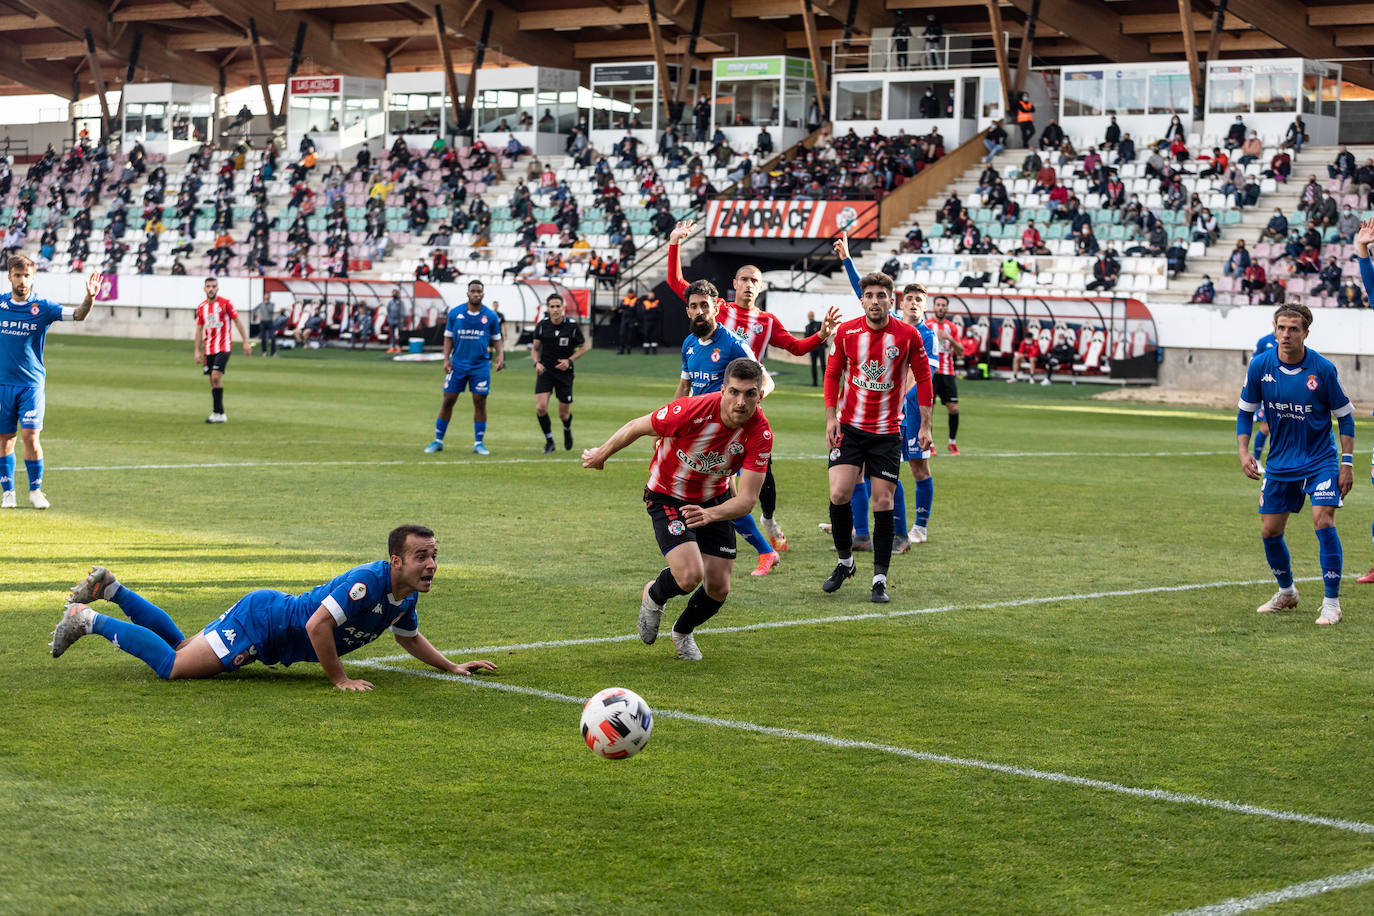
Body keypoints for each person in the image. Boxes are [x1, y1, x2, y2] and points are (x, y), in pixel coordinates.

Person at [49, 525, 498, 687]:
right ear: (396, 560)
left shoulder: (406, 596)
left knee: (182, 648)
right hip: (262, 624)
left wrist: (451, 667)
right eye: (422, 556)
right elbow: (318, 626)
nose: (431, 564)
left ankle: (111, 589)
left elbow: (409, 637)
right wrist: (339, 680)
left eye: (434, 555)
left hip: (265, 616)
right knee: (173, 667)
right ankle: (87, 619)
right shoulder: (367, 582)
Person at [668, 219, 839, 561]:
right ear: (734, 285)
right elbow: (677, 283)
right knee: (721, 479)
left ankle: (767, 522)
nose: (748, 285)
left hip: (745, 409)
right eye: (743, 279)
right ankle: (739, 540)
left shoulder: (767, 322)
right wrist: (675, 243)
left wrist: (821, 335)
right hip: (712, 411)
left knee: (760, 478)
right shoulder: (718, 310)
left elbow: (796, 348)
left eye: (754, 281)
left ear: (760, 287)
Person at [582, 358, 771, 661]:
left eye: (750, 394)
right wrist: (601, 455)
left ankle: (682, 633)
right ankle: (654, 595)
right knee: (689, 576)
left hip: (714, 500)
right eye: (734, 392)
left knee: (719, 588)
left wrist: (711, 514)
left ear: (759, 395)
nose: (741, 402)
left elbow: (747, 500)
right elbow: (637, 426)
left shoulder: (760, 433)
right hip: (668, 496)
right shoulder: (692, 410)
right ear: (723, 390)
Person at [1237, 304, 1353, 625]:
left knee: (1323, 521)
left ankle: (1331, 603)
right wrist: (1244, 452)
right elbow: (1245, 411)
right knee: (1270, 530)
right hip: (1280, 461)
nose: (1286, 334)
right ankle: (1287, 592)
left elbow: (1345, 418)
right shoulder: (1260, 365)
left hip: (1320, 459)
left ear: (1306, 333)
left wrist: (1346, 464)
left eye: (1293, 329)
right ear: (1274, 330)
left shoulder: (1323, 369)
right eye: (1281, 328)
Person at [822, 270, 933, 603]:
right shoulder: (846, 332)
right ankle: (845, 563)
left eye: (881, 296)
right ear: (862, 300)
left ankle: (879, 579)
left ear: (890, 299)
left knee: (883, 502)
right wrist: (831, 417)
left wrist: (925, 425)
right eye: (869, 296)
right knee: (839, 493)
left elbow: (924, 379)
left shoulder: (908, 335)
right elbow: (832, 373)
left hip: (886, 433)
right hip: (849, 428)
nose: (875, 301)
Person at [0, 258, 99, 510]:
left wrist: (89, 297)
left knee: (30, 436)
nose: (22, 281)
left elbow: (78, 315)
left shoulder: (42, 307)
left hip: (30, 385)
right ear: (9, 277)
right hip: (2, 385)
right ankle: (8, 493)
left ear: (33, 278)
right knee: (5, 439)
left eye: (27, 276)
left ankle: (35, 491)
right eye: (17, 275)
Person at [423, 279, 504, 455]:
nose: (476, 294)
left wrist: (500, 356)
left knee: (480, 402)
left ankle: (479, 443)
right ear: (468, 293)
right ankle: (438, 440)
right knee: (448, 400)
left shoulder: (490, 316)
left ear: (483, 294)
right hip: (457, 364)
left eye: (479, 291)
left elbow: (497, 339)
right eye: (473, 291)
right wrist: (446, 359)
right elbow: (448, 337)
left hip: (480, 365)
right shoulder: (455, 313)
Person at [531, 293, 589, 454]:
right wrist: (536, 363)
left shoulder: (571, 326)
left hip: (564, 374)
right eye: (552, 306)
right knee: (541, 408)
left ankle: (567, 429)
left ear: (563, 308)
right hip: (545, 372)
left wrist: (569, 361)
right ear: (548, 308)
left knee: (563, 414)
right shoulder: (542, 325)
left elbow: (584, 347)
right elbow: (535, 349)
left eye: (558, 306)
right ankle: (549, 441)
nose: (555, 309)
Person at [194, 277, 250, 424]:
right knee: (213, 381)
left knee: (215, 377)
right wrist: (197, 350)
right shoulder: (201, 307)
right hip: (208, 348)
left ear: (217, 288)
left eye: (213, 286)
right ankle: (220, 414)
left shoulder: (225, 304)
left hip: (223, 347)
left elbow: (237, 322)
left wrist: (245, 342)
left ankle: (216, 412)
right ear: (204, 289)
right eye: (208, 286)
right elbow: (199, 329)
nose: (211, 289)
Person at [925, 295, 963, 455]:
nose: (941, 308)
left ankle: (952, 443)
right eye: (938, 305)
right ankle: (930, 444)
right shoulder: (927, 325)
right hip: (931, 373)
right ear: (934, 307)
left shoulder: (951, 327)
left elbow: (960, 352)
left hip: (948, 373)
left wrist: (950, 339)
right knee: (928, 409)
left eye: (943, 305)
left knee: (953, 408)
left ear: (947, 308)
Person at [804, 310, 824, 387]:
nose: (810, 317)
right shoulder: (807, 327)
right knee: (813, 365)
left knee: (823, 364)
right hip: (812, 349)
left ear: (813, 316)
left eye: (811, 315)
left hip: (820, 348)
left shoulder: (819, 324)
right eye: (809, 316)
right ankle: (814, 382)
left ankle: (826, 381)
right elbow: (806, 338)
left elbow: (823, 333)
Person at [386, 288, 406, 354]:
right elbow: (388, 310)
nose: (394, 294)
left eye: (395, 293)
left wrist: (402, 318)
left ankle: (399, 348)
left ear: (397, 294)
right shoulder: (390, 302)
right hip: (391, 320)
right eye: (393, 293)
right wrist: (388, 319)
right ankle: (392, 347)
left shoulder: (400, 302)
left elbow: (402, 310)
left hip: (399, 320)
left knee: (399, 334)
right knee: (392, 334)